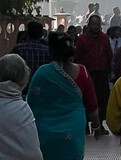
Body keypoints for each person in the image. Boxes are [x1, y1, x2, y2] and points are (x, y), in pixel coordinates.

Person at [27, 32, 100, 160]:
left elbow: (31, 103)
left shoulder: (42, 73)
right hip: (73, 129)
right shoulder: (83, 72)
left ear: (51, 49)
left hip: (46, 132)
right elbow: (91, 103)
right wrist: (96, 125)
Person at [73, 14, 113, 135]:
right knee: (85, 99)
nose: (95, 26)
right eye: (93, 24)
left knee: (101, 99)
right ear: (89, 25)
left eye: (97, 24)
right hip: (87, 73)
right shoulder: (82, 39)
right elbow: (78, 57)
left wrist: (108, 70)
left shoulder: (105, 38)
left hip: (101, 73)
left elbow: (109, 55)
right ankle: (85, 125)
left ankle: (99, 125)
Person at [11, 20, 49, 93]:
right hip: (41, 88)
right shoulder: (47, 51)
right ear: (41, 34)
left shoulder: (18, 49)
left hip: (21, 88)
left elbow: (10, 66)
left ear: (27, 33)